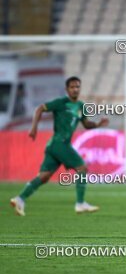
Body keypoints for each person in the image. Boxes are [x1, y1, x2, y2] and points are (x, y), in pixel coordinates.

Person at [10, 76, 108, 216]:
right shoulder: (61, 103)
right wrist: (33, 128)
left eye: (77, 87)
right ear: (67, 89)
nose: (75, 89)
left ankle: (20, 199)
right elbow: (40, 109)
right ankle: (80, 203)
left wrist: (97, 124)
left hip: (56, 146)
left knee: (44, 176)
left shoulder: (81, 106)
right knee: (82, 168)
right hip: (59, 143)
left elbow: (86, 124)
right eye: (72, 87)